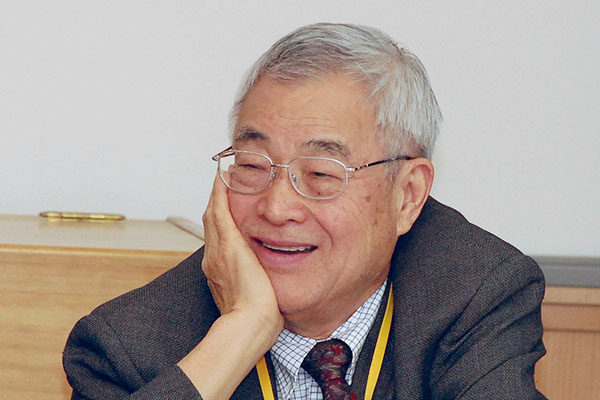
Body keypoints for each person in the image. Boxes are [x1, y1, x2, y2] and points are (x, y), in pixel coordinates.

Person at [63, 23, 547, 399]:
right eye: (253, 165)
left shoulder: (473, 295)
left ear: (407, 196)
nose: (277, 208)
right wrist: (242, 331)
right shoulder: (130, 344)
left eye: (320, 174)